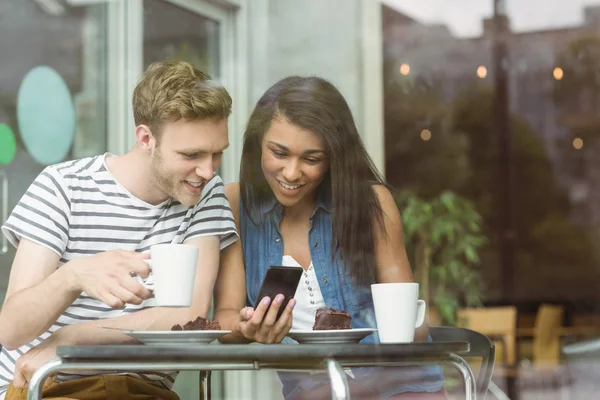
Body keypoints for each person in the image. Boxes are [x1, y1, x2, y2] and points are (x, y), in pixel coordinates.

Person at [0, 60, 238, 400]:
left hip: (139, 391)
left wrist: (74, 338)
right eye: (192, 154)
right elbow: (11, 330)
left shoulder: (207, 194)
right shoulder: (63, 186)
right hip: (47, 385)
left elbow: (188, 314)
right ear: (145, 138)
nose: (207, 170)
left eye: (217, 154)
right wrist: (73, 276)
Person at [213, 76, 446, 399]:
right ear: (257, 145)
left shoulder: (370, 203)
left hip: (399, 388)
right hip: (315, 393)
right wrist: (247, 329)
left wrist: (353, 385)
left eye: (311, 159)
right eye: (279, 153)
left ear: (333, 157)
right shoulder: (235, 206)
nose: (292, 173)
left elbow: (406, 324)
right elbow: (225, 316)